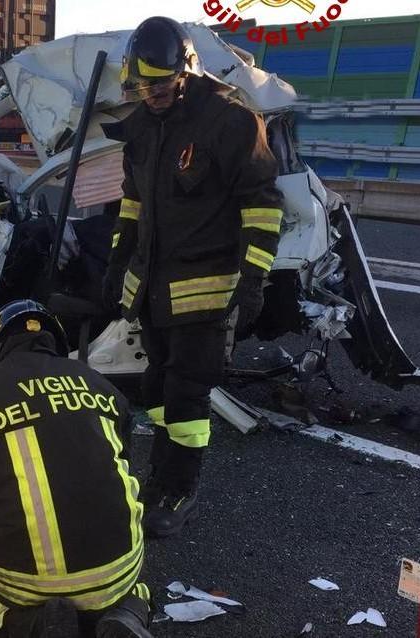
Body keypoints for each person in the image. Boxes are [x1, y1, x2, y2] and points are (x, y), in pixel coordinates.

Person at [101, 17, 284, 538]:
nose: (151, 94)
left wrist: (254, 277)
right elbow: (132, 202)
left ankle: (180, 489)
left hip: (204, 287)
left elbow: (262, 203)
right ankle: (160, 476)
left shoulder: (228, 122)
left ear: (185, 70)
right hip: (153, 288)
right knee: (156, 385)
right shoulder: (139, 127)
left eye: (159, 83)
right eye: (142, 85)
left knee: (186, 393)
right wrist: (119, 260)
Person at [0, 300, 153, 638]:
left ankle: (34, 624)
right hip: (117, 571)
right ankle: (130, 609)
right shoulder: (100, 384)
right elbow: (121, 464)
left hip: (26, 582)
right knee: (134, 587)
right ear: (56, 342)